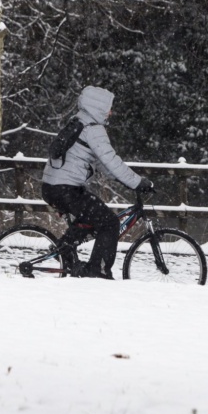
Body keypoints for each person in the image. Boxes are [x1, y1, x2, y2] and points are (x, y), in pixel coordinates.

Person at [41, 86, 154, 279]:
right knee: (110, 223)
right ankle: (98, 270)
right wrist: (137, 183)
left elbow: (103, 164)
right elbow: (112, 160)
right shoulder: (93, 129)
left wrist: (126, 181)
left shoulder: (79, 122)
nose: (110, 112)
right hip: (66, 189)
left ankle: (65, 248)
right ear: (99, 107)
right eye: (108, 108)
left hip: (54, 187)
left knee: (92, 218)